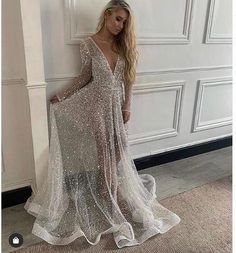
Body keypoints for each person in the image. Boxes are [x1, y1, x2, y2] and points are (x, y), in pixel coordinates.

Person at [24, 0, 181, 249]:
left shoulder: (123, 45)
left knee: (119, 149)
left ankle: (107, 186)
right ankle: (111, 195)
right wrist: (63, 96)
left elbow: (129, 78)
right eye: (118, 18)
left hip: (115, 106)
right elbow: (85, 76)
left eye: (125, 22)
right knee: (104, 153)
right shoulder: (88, 44)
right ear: (107, 15)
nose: (121, 25)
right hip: (95, 106)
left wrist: (127, 105)